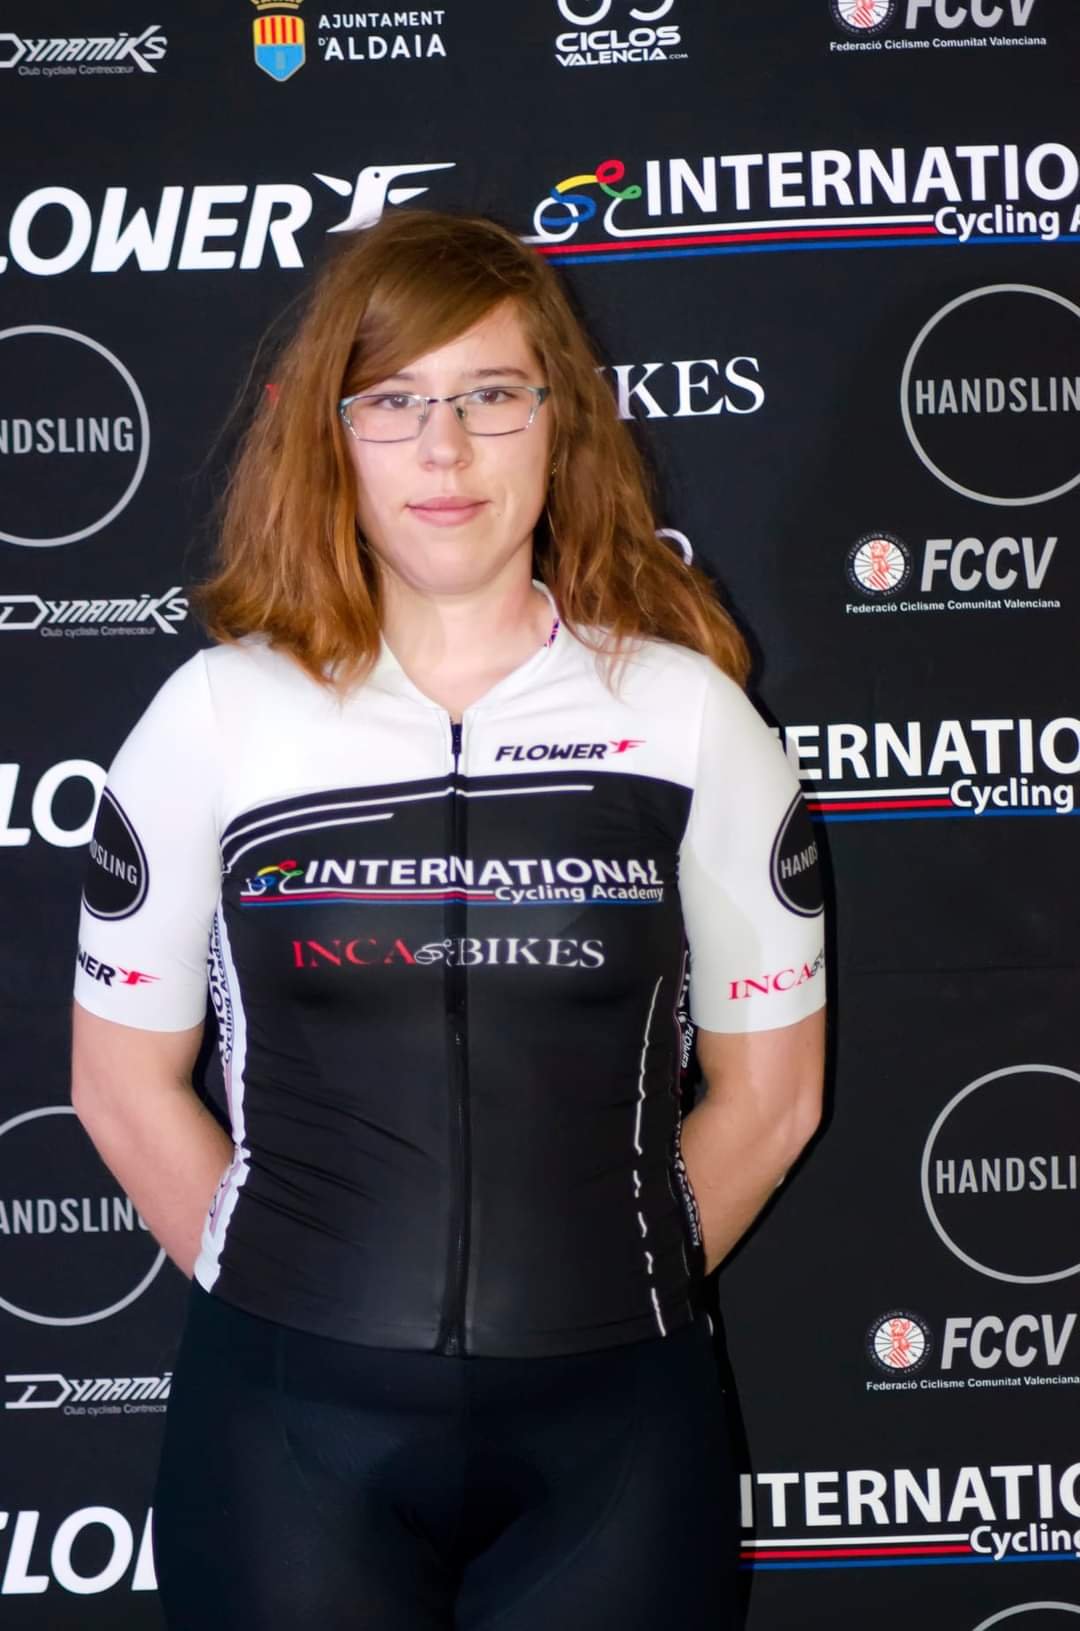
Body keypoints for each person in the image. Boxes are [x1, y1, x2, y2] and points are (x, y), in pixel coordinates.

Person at [71, 208, 826, 1630]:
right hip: (286, 1431)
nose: (445, 450)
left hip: (619, 1438)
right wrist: (280, 1282)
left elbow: (774, 1097)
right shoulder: (217, 719)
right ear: (333, 439)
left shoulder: (690, 722)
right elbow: (118, 1084)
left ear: (560, 423)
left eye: (490, 396)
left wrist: (610, 1280)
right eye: (395, 403)